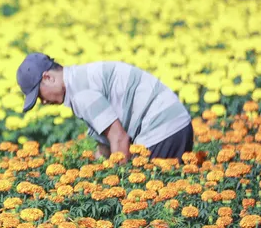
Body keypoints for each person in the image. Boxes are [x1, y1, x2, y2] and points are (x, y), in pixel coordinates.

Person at [15, 52, 194, 161]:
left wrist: (116, 188)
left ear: (48, 78)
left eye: (39, 95)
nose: (43, 102)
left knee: (147, 201)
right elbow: (106, 144)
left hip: (163, 129)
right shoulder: (79, 78)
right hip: (174, 123)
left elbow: (119, 139)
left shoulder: (80, 92)